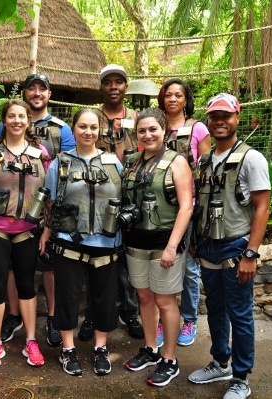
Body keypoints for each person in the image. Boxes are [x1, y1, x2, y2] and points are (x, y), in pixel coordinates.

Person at [188, 93, 270, 399]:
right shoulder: (206, 160)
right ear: (208, 121)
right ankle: (220, 361)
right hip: (207, 246)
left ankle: (241, 376)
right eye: (214, 117)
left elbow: (262, 207)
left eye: (226, 116)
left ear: (237, 118)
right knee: (215, 310)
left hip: (236, 247)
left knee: (240, 313)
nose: (220, 122)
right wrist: (196, 240)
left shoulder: (251, 158)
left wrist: (251, 253)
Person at [39, 108, 123, 376]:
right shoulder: (59, 162)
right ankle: (68, 349)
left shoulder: (112, 163)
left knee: (104, 298)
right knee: (67, 297)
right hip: (68, 240)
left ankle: (100, 347)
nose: (88, 132)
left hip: (106, 241)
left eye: (93, 127)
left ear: (100, 130)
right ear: (73, 129)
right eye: (83, 126)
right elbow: (49, 201)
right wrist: (46, 231)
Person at [0, 99, 50, 370]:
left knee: (27, 286)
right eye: (11, 116)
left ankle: (30, 340)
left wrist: (46, 231)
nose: (16, 120)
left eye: (21, 116)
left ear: (29, 121)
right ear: (4, 119)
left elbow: (49, 196)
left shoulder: (40, 153)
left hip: (28, 231)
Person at [0, 73, 75, 347]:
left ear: (49, 95)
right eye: (31, 89)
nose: (37, 93)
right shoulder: (9, 122)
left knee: (49, 265)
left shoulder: (60, 128)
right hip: (14, 207)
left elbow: (69, 163)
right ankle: (14, 315)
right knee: (10, 266)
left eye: (42, 89)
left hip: (49, 204)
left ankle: (52, 317)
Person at [121, 108, 193, 387]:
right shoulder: (133, 162)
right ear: (136, 134)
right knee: (145, 298)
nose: (147, 135)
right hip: (136, 242)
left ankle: (170, 359)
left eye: (153, 129)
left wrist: (172, 246)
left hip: (165, 242)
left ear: (164, 130)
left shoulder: (176, 162)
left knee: (165, 300)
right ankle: (151, 349)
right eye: (142, 130)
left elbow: (186, 206)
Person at [79, 64, 143, 342]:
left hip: (129, 191)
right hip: (97, 196)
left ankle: (130, 313)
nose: (114, 87)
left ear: (126, 87)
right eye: (108, 82)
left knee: (127, 260)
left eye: (119, 82)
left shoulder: (136, 117)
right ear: (102, 87)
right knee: (96, 258)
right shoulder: (93, 117)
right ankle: (92, 314)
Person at [157, 78, 211, 347]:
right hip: (160, 207)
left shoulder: (198, 128)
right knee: (159, 262)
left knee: (189, 267)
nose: (173, 99)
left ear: (186, 99)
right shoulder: (157, 127)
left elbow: (206, 170)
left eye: (178, 95)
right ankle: (162, 319)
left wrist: (201, 208)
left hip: (188, 206)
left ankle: (189, 318)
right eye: (168, 95)